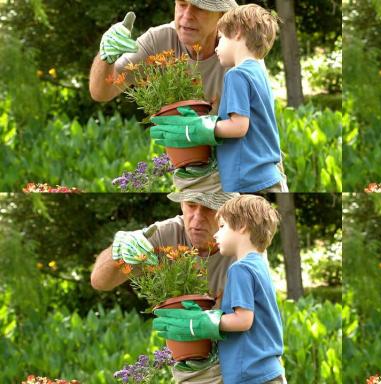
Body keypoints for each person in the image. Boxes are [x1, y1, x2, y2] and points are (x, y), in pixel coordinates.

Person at [90, 191, 237, 383]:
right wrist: (119, 249)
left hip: (238, 365)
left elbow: (257, 319)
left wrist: (213, 323)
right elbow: (100, 282)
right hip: (188, 369)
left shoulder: (243, 241)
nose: (197, 217)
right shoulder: (166, 233)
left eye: (209, 208)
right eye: (191, 205)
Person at [150, 4, 288, 193]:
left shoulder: (236, 74)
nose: (216, 48)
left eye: (221, 38)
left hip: (249, 180)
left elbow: (239, 127)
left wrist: (198, 128)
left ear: (237, 33)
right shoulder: (257, 72)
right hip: (267, 175)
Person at [153, 195, 286, 384]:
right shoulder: (259, 265)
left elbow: (243, 320)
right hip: (265, 370)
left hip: (251, 373)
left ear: (242, 227)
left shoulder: (240, 269)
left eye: (222, 227)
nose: (216, 234)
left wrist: (200, 323)